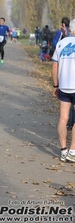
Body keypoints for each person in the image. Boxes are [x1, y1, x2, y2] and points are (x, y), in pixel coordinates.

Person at [51, 18, 75, 163]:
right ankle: (73, 151)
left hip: (64, 86)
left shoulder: (61, 43)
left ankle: (63, 150)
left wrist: (55, 85)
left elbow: (54, 66)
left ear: (70, 28)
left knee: (63, 118)